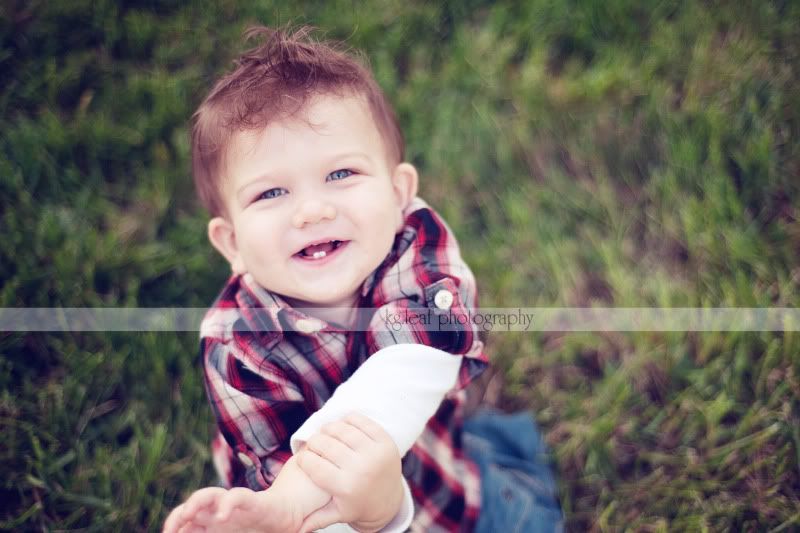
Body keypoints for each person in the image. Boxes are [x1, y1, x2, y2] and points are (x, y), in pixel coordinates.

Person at [163, 25, 562, 533]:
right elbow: (285, 507)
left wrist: (333, 499)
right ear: (232, 244)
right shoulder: (236, 346)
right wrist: (342, 510)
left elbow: (413, 363)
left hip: (444, 482)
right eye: (270, 194)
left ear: (400, 194)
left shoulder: (419, 249)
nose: (311, 210)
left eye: (340, 174)